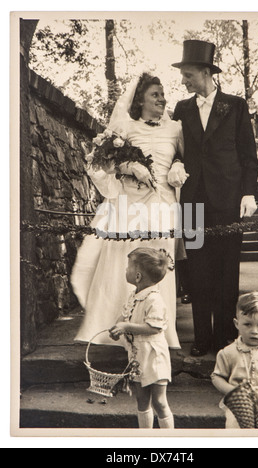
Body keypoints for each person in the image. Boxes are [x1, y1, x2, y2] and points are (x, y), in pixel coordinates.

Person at [71, 72, 188, 349]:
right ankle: (118, 327)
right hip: (128, 203)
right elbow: (103, 163)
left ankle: (158, 327)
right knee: (124, 260)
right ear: (141, 100)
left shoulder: (176, 129)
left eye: (162, 94)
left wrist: (177, 166)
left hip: (162, 204)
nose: (162, 99)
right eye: (155, 94)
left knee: (159, 263)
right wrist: (128, 167)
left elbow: (186, 156)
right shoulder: (126, 127)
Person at [172, 40, 258, 355]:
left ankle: (225, 336)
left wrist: (249, 192)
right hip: (193, 203)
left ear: (206, 72)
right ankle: (203, 339)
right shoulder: (181, 109)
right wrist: (177, 165)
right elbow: (173, 152)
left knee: (227, 270)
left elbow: (249, 155)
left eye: (189, 74)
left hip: (228, 200)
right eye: (183, 75)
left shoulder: (235, 106)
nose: (184, 81)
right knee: (197, 272)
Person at [109, 247, 175, 429]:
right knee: (142, 398)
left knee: (159, 401)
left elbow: (153, 327)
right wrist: (117, 328)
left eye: (128, 267)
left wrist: (127, 327)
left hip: (154, 356)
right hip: (138, 356)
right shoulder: (134, 296)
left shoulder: (154, 299)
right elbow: (125, 315)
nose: (125, 270)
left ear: (138, 276)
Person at [211, 292, 258, 429]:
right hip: (241, 408)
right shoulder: (229, 352)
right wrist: (233, 392)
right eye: (247, 324)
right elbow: (216, 376)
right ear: (237, 324)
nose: (254, 331)